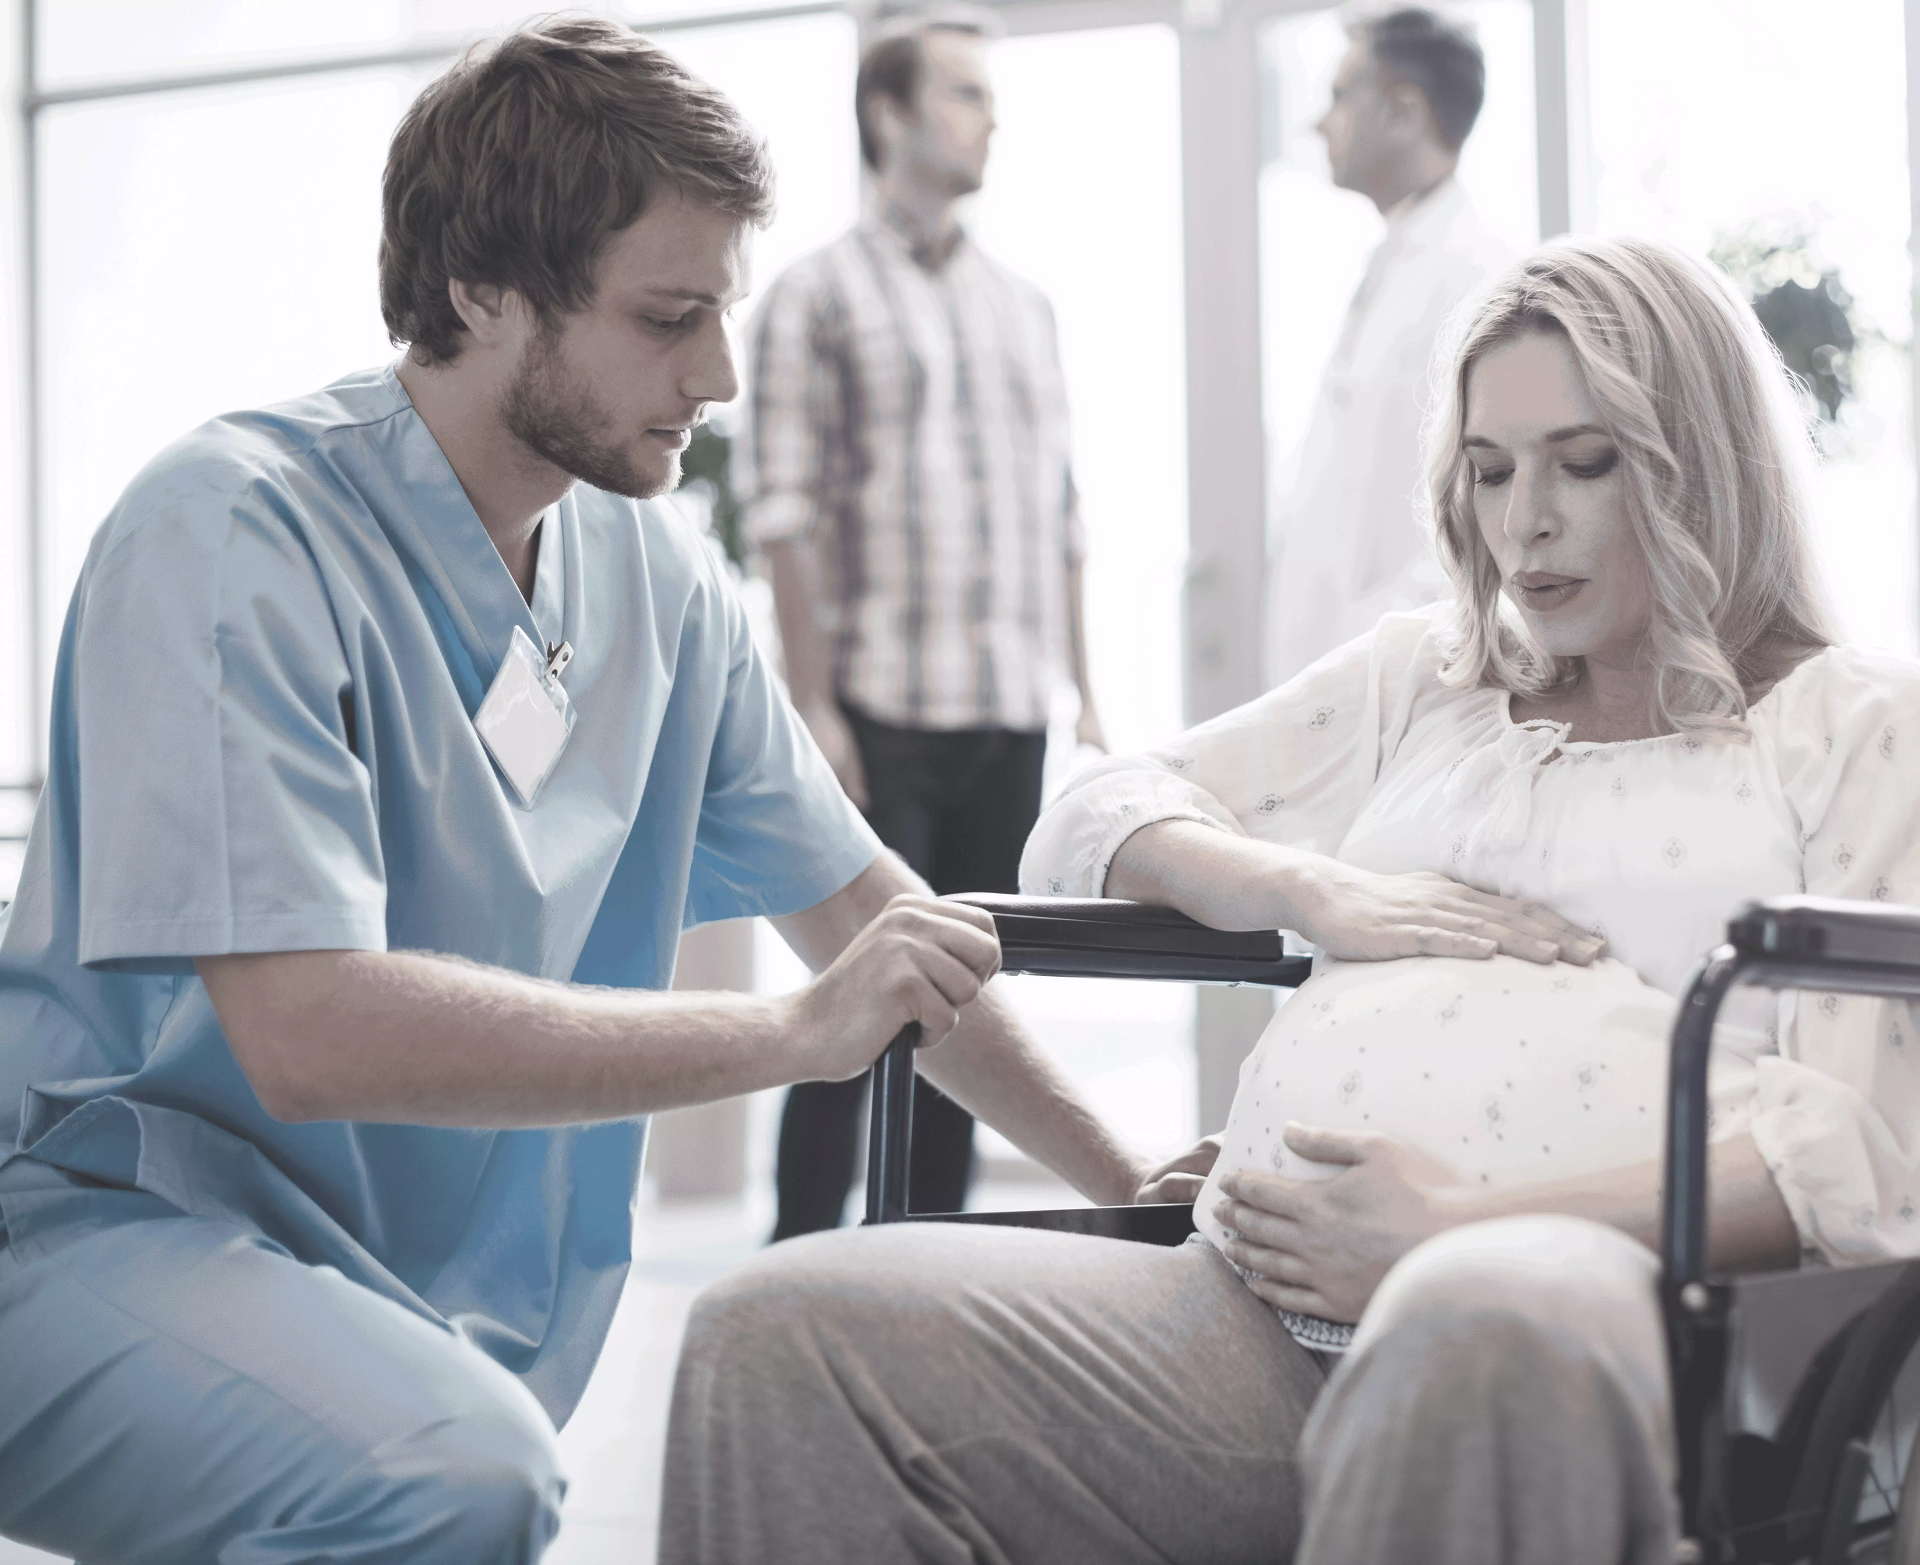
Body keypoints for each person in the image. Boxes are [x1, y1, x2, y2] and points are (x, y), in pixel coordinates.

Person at [0, 22, 1180, 1564]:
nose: (722, 375)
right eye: (669, 317)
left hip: (401, 1294)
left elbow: (868, 911)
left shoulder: (662, 580)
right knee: (450, 1477)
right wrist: (789, 1036)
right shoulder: (233, 536)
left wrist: (1133, 1183)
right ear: (486, 289)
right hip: (108, 1237)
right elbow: (300, 1026)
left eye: (723, 313)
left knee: (462, 1459)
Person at [662, 236, 1920, 1565]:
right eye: (1489, 471)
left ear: (1701, 463)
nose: (1524, 521)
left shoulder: (1852, 729)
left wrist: (1451, 1231)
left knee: (1471, 1321)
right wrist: (1305, 887)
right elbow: (1095, 806)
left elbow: (1855, 1150)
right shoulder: (1427, 682)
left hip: (1592, 1310)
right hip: (1249, 1307)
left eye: (1584, 463)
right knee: (776, 1333)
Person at [741, 10, 1106, 1238]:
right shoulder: (812, 295)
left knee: (967, 1017)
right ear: (888, 114)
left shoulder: (1028, 305)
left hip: (1008, 711)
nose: (986, 114)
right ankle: (792, 1269)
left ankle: (930, 1281)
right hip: (881, 714)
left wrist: (1087, 691)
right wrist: (816, 706)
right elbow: (781, 511)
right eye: (960, 93)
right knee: (850, 1015)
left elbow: (1063, 515)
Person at [1266, 6, 1514, 686]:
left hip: (1394, 685)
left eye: (1342, 95)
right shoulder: (1398, 261)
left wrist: (1381, 654)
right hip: (1338, 683)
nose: (1319, 122)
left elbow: (1476, 511)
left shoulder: (1473, 276)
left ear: (1405, 113)